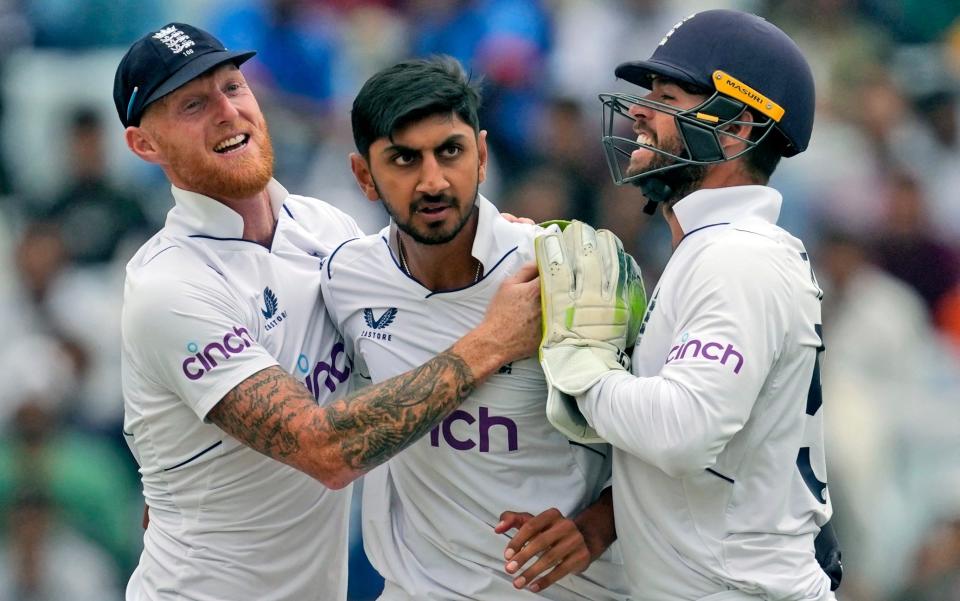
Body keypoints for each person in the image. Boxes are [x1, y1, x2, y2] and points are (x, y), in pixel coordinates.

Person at [113, 23, 540, 601]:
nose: (226, 111)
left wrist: (497, 239)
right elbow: (326, 451)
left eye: (233, 87)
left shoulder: (325, 228)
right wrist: (493, 341)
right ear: (145, 145)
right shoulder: (170, 286)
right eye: (192, 103)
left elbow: (420, 288)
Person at [531, 9, 843, 601]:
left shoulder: (736, 259)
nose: (640, 112)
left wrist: (581, 366)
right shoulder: (722, 249)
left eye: (668, 96)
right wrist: (602, 522)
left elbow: (683, 432)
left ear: (736, 129)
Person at [320, 56, 628, 600]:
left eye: (451, 152)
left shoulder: (565, 270)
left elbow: (661, 442)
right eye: (404, 159)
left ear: (482, 156)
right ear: (364, 177)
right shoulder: (345, 279)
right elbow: (315, 433)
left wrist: (596, 526)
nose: (433, 180)